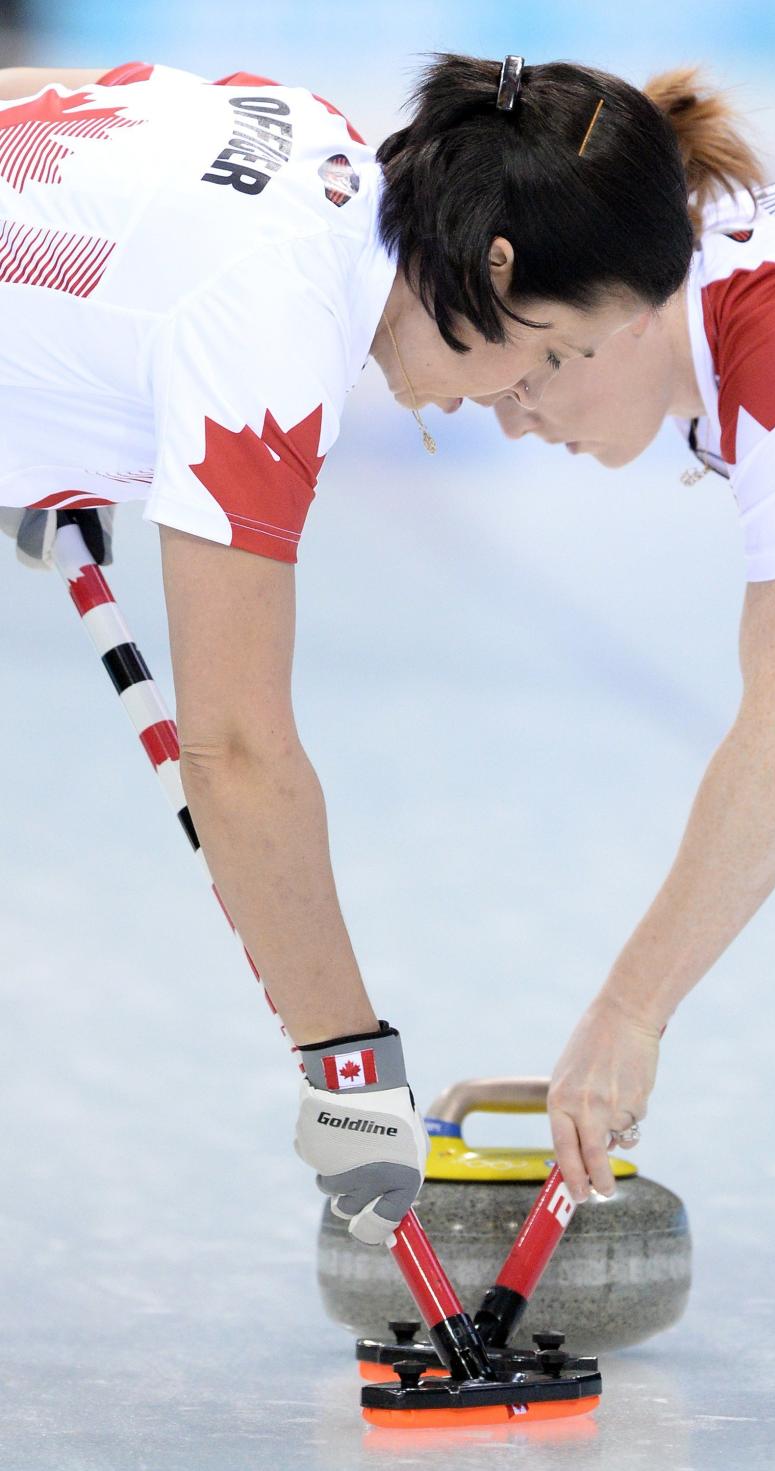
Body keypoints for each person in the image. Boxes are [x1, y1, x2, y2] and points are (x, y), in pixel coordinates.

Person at [0, 54, 701, 1243]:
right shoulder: (274, 346)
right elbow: (236, 754)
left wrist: (53, 414)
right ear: (497, 270)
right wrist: (346, 1060)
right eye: (554, 350)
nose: (524, 394)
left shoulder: (318, 140)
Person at [486, 68, 775, 1201]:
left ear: (622, 312)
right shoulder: (717, 278)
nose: (514, 412)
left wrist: (629, 1010)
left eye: (533, 366)